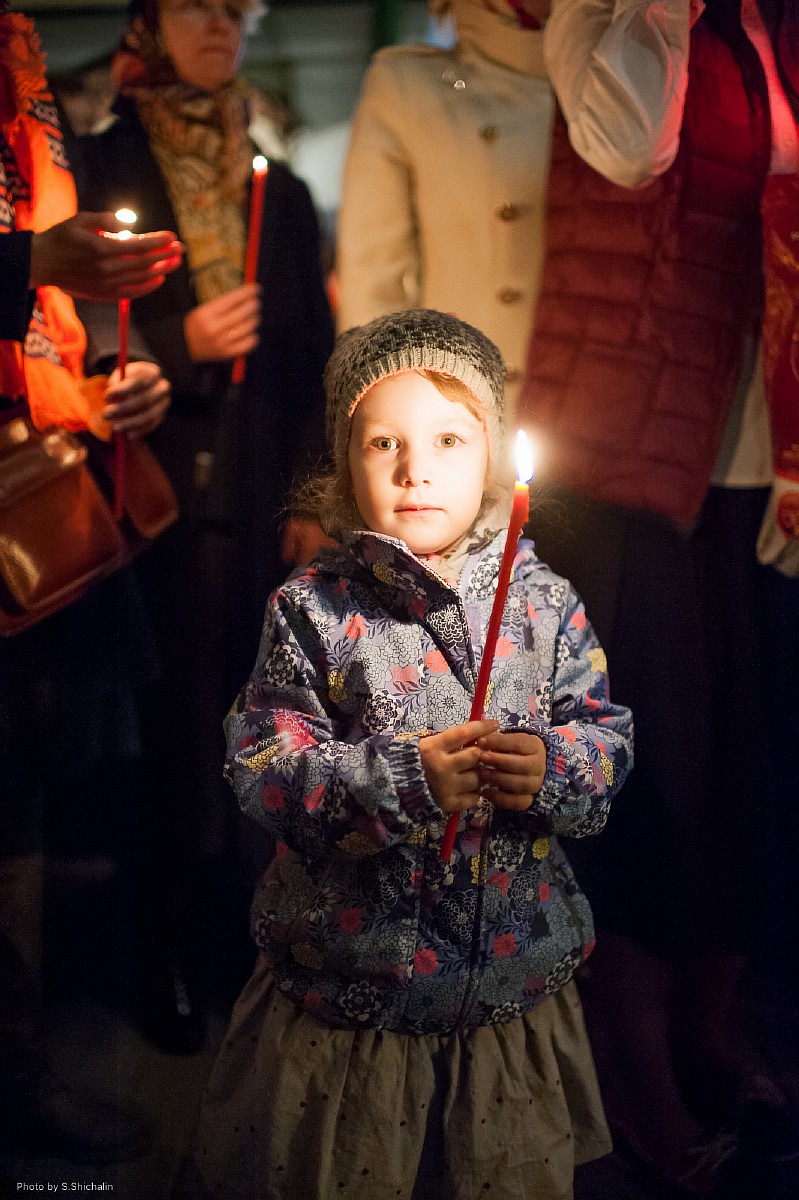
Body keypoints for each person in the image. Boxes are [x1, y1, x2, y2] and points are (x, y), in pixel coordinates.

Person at [173, 309, 634, 1200]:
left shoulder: (545, 605)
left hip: (504, 989)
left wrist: (554, 768)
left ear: (494, 455)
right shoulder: (313, 610)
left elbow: (603, 738)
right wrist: (399, 780)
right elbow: (263, 765)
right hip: (354, 995)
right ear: (343, 465)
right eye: (383, 442)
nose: (415, 469)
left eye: (449, 439)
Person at [518, 0, 799, 1191]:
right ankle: (628, 1067)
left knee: (745, 768)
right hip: (628, 461)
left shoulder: (770, 27)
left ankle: (707, 1029)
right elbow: (631, 146)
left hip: (757, 457)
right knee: (649, 776)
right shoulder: (606, 15)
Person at [75, 0, 335, 1044]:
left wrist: (312, 500)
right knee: (166, 728)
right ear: (149, 23)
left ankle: (243, 946)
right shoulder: (102, 165)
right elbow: (72, 331)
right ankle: (158, 954)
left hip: (256, 486)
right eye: (195, 4)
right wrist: (182, 340)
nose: (220, 23)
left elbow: (314, 361)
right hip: (147, 490)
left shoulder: (283, 188)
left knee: (261, 719)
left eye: (237, 8)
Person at [1, 2, 181, 1164]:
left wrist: (114, 372)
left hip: (28, 486)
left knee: (16, 787)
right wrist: (30, 260)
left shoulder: (19, 61)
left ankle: (18, 1074)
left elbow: (48, 316)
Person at [336, 0, 553, 415]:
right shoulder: (406, 86)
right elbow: (374, 280)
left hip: (594, 396)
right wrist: (385, 416)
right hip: (459, 404)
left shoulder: (615, 93)